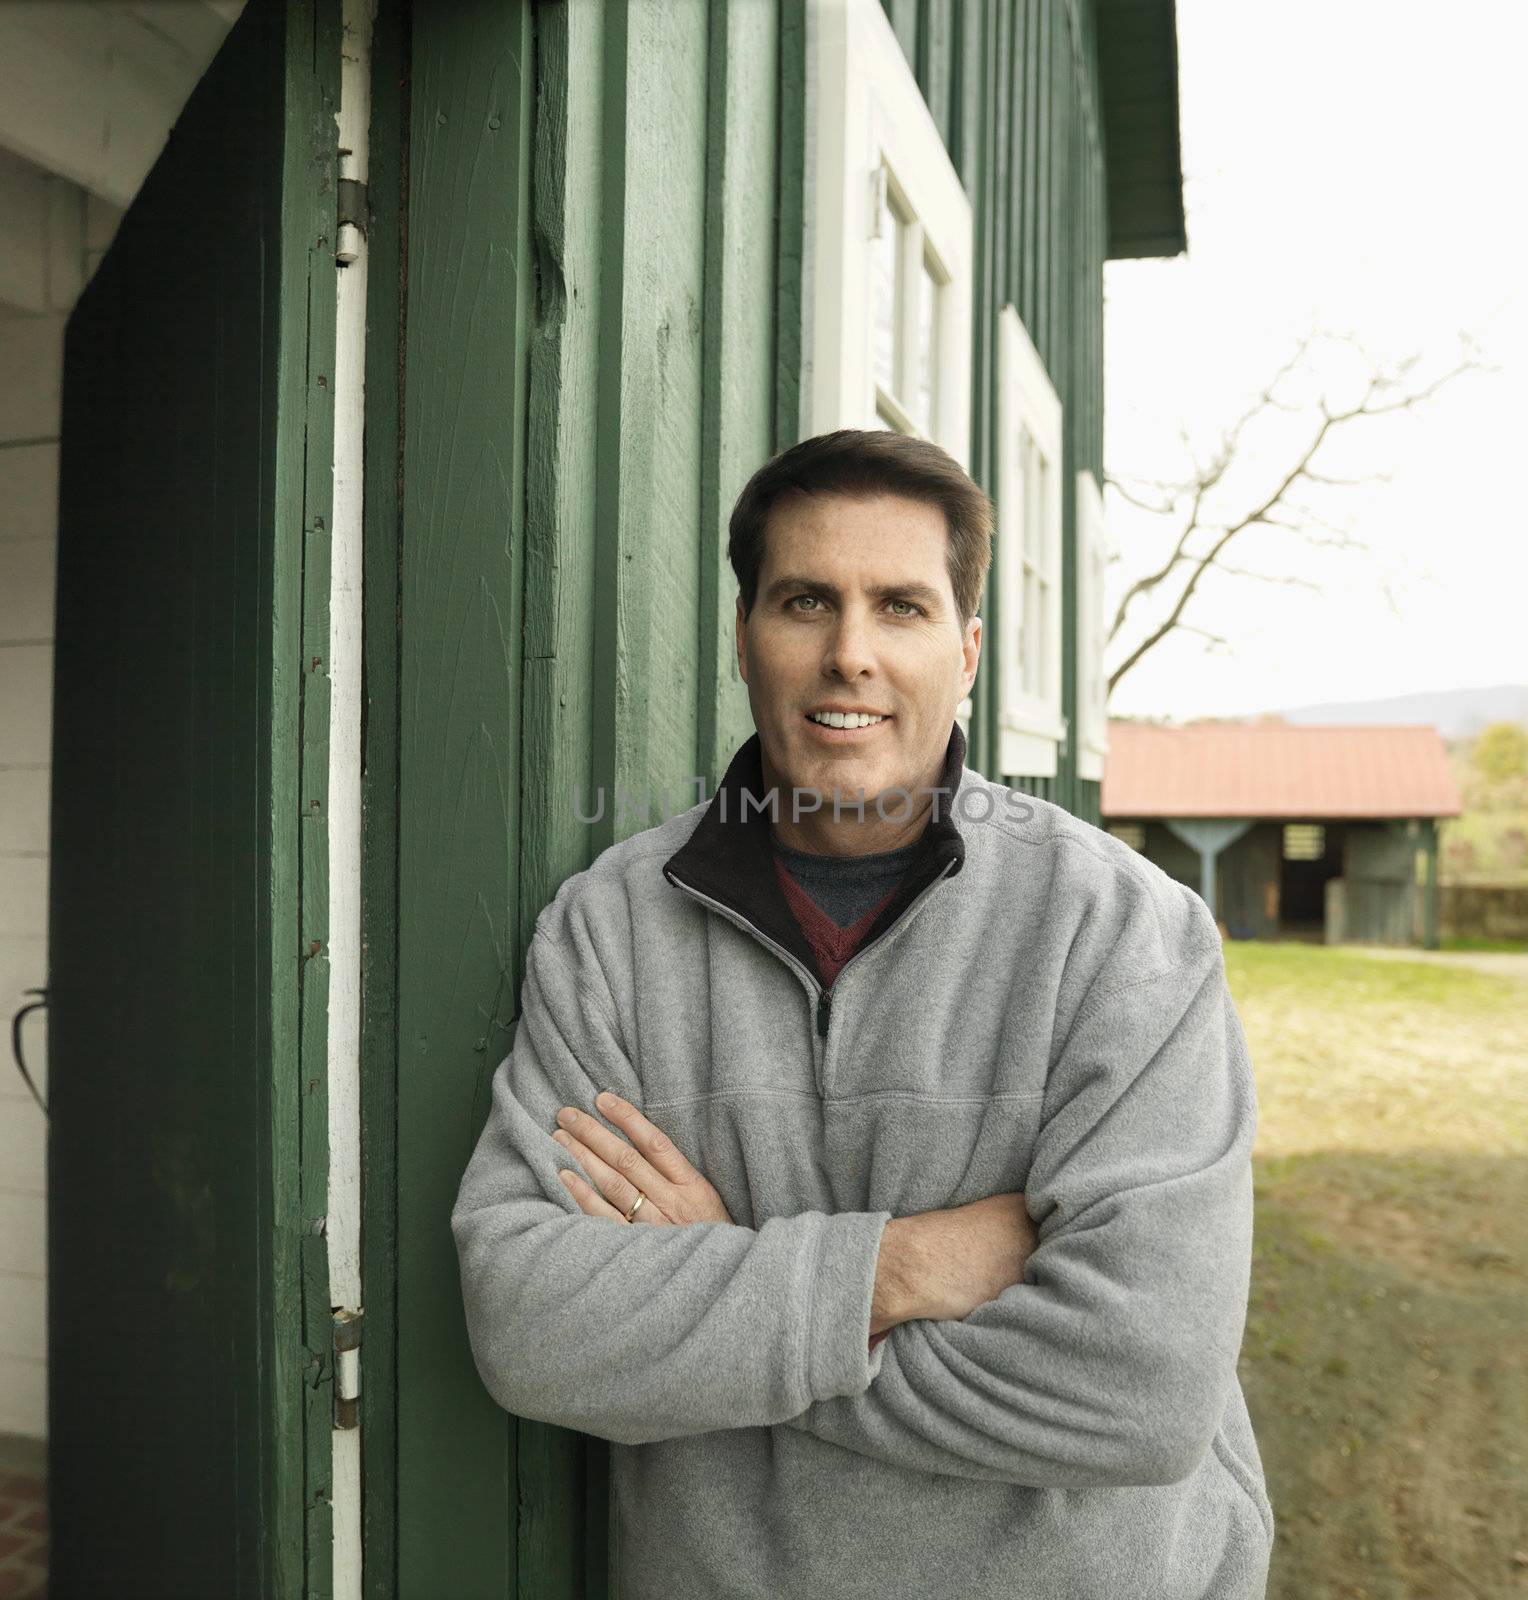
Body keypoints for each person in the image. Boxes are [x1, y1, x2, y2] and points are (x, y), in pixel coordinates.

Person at [450, 428, 1275, 1598]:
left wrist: (721, 1301)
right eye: (804, 602)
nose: (850, 655)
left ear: (968, 650)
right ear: (745, 640)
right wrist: (895, 1271)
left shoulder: (1125, 934)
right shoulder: (610, 931)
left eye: (899, 606)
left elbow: (1139, 1386)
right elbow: (532, 1323)